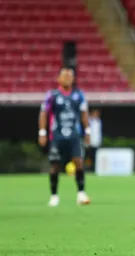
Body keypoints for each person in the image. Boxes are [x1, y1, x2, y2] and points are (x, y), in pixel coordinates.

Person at [38, 67, 91, 207]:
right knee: (55, 166)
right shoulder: (52, 95)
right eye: (64, 76)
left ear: (73, 79)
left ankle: (81, 193)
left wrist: (88, 131)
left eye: (70, 76)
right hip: (57, 135)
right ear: (58, 79)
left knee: (78, 162)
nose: (67, 78)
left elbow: (84, 113)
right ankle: (54, 196)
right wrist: (42, 132)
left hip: (74, 135)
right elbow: (44, 113)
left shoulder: (79, 95)